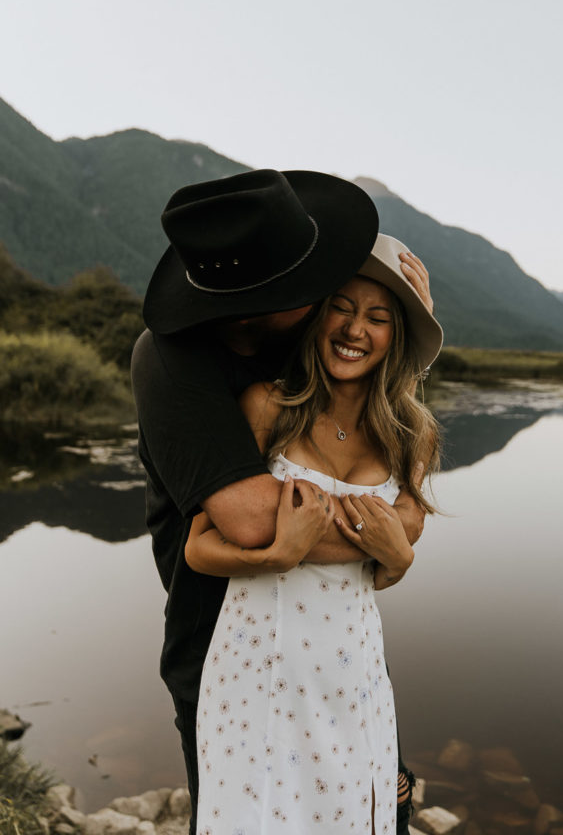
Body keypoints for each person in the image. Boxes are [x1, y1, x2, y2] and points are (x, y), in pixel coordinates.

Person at [131, 170, 434, 835]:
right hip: (223, 645)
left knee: (389, 802)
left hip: (337, 654)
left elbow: (376, 403)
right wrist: (391, 539)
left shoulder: (302, 341)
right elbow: (250, 521)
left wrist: (410, 328)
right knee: (253, 818)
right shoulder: (174, 359)